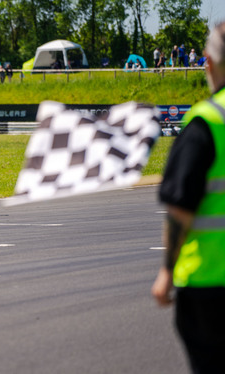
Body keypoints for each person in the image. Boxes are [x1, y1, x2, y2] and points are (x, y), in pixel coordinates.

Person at [151, 21, 225, 374]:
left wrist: (166, 272)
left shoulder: (208, 121)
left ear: (208, 63)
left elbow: (179, 208)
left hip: (209, 284)